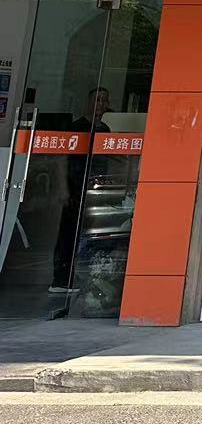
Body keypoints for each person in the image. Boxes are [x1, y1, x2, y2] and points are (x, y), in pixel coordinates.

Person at [49, 87, 110, 294]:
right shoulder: (76, 127)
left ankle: (78, 276)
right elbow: (61, 160)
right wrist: (63, 189)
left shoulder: (105, 130)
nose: (101, 104)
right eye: (97, 99)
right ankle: (60, 279)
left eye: (104, 100)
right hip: (74, 186)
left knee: (87, 233)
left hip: (94, 187)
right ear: (89, 102)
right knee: (68, 232)